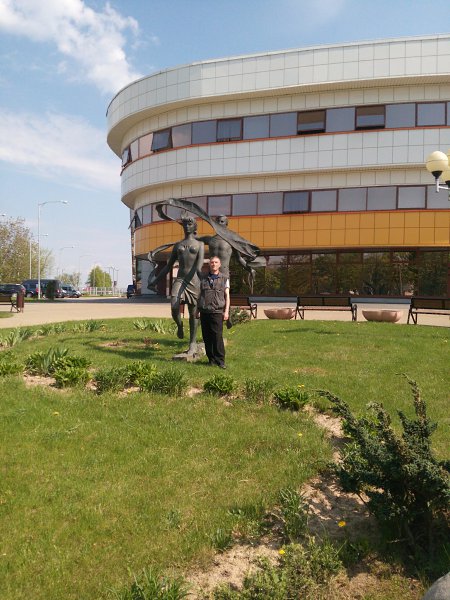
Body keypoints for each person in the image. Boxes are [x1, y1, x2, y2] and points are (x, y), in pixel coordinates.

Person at [148, 215, 204, 356]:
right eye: (185, 224)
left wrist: (205, 281)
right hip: (180, 279)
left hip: (194, 280)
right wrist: (155, 281)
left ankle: (192, 343)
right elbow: (168, 267)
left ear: (194, 226)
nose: (187, 226)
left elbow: (199, 267)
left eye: (190, 224)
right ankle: (179, 325)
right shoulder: (178, 245)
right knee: (174, 306)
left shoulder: (200, 245)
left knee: (193, 313)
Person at [197, 256, 230, 368]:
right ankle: (211, 360)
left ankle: (220, 361)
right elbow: (199, 295)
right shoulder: (203, 278)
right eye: (212, 262)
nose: (214, 264)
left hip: (217, 311)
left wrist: (226, 311)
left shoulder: (224, 278)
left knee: (217, 336)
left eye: (216, 262)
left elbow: (227, 296)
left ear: (219, 265)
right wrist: (197, 310)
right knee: (207, 337)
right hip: (204, 311)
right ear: (209, 264)